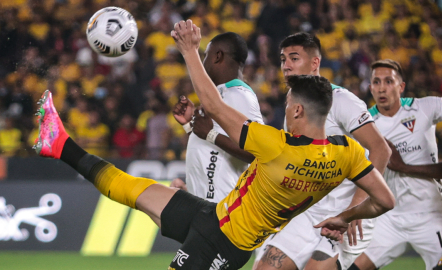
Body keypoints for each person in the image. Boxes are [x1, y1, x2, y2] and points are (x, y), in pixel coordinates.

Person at [33, 21, 395, 269]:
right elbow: (385, 200)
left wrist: (190, 50)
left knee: (130, 191)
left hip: (224, 241)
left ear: (298, 110)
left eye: (287, 105)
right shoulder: (345, 153)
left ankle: (60, 145)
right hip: (214, 215)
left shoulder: (275, 145)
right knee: (133, 189)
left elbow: (215, 106)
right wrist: (345, 217)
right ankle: (59, 143)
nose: (284, 108)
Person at [254, 32, 391, 270]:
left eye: (294, 58)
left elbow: (381, 149)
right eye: (283, 59)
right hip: (307, 210)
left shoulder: (342, 101)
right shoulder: (293, 102)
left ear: (315, 63)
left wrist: (355, 209)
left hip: (346, 212)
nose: (286, 66)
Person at [347, 59, 442, 270]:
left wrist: (403, 166)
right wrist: (354, 210)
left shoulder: (424, 108)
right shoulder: (363, 125)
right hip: (389, 219)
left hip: (430, 215)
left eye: (389, 81)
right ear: (370, 88)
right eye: (376, 82)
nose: (382, 88)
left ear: (401, 86)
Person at [170, 32, 263, 202]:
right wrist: (189, 126)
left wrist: (210, 135)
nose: (204, 62)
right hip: (205, 207)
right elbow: (212, 149)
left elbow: (256, 153)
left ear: (218, 56)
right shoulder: (220, 95)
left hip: (224, 211)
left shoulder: (238, 94)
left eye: (206, 56)